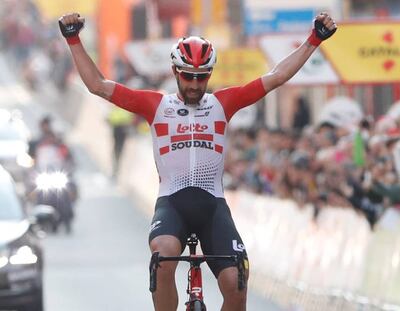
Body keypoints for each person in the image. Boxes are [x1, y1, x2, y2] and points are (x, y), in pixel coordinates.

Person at [58, 12, 336, 311]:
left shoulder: (223, 104)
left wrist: (314, 39)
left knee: (237, 280)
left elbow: (277, 76)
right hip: (173, 204)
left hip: (212, 207)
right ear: (175, 72)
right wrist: (73, 39)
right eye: (188, 76)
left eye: (202, 76)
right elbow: (98, 84)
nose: (194, 84)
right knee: (163, 258)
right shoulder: (156, 105)